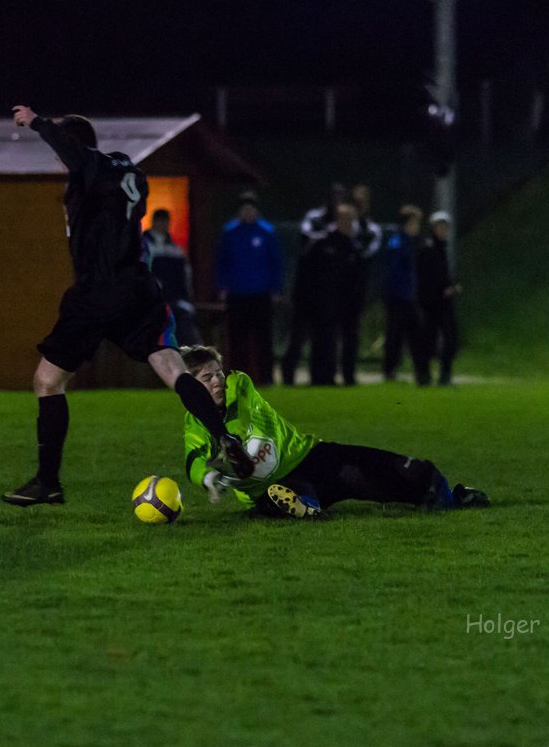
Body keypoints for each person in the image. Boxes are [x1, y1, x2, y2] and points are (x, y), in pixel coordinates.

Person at [3, 105, 254, 507]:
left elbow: (75, 153)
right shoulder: (128, 171)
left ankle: (47, 482)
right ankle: (223, 435)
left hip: (98, 290)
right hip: (139, 287)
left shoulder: (88, 168)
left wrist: (36, 122)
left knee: (47, 382)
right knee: (171, 369)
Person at [178, 344, 490, 518]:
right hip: (269, 488)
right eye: (208, 377)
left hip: (311, 456)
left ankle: (449, 496)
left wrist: (239, 457)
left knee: (399, 471)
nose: (218, 381)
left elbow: (255, 429)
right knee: (278, 495)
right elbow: (193, 459)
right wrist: (211, 478)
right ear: (192, 387)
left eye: (218, 372)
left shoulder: (239, 385)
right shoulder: (195, 423)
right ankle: (304, 504)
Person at [283, 183, 349, 385]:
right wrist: (329, 232)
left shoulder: (344, 225)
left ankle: (323, 377)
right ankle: (288, 375)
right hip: (306, 291)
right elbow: (306, 241)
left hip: (328, 294)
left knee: (326, 338)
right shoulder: (314, 219)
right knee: (298, 337)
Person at [215, 190, 282, 386]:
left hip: (260, 293)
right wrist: (222, 286)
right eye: (245, 208)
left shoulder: (266, 232)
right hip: (237, 293)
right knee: (237, 340)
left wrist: (276, 289)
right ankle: (237, 377)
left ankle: (266, 377)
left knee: (264, 338)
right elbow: (222, 262)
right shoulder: (230, 232)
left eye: (251, 208)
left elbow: (275, 262)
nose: (248, 212)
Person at [301, 202, 362, 386]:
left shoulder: (353, 247)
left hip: (348, 303)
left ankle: (348, 376)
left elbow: (359, 277)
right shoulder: (321, 244)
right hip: (325, 303)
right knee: (323, 342)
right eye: (347, 220)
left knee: (349, 341)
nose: (350, 224)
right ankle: (321, 377)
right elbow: (309, 274)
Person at [336, 184, 382, 386]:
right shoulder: (341, 229)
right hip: (338, 287)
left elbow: (367, 252)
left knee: (351, 332)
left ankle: (348, 373)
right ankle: (329, 372)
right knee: (332, 331)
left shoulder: (369, 229)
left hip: (356, 288)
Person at [382, 205, 431, 384]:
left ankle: (419, 371)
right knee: (398, 334)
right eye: (416, 222)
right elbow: (394, 271)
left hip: (407, 296)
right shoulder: (397, 241)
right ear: (408, 223)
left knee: (410, 335)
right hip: (398, 298)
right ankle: (393, 369)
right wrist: (400, 292)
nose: (418, 226)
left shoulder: (409, 242)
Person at [143, 209, 200, 346]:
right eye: (160, 221)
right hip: (150, 301)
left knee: (185, 331)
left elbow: (185, 278)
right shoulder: (143, 247)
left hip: (175, 301)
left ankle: (190, 362)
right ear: (154, 222)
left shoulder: (176, 251)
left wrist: (186, 300)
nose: (162, 224)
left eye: (165, 221)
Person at [418, 210, 462, 385]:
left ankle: (445, 373)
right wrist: (441, 291)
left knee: (450, 337)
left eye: (445, 227)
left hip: (443, 301)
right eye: (440, 226)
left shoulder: (441, 247)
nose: (443, 230)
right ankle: (424, 374)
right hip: (431, 302)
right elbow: (426, 277)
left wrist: (450, 287)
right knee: (429, 338)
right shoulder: (428, 248)